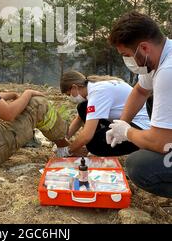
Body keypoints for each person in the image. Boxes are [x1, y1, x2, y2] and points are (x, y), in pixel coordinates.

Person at [107, 11, 172, 198]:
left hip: (165, 141)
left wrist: (127, 132)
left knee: (140, 165)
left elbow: (162, 143)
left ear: (143, 48)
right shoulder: (158, 58)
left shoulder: (168, 71)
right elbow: (140, 91)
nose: (126, 60)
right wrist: (121, 123)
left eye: (126, 55)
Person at [56, 70, 150, 157]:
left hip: (139, 128)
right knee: (83, 107)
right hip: (124, 121)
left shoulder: (98, 93)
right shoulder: (95, 86)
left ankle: (134, 146)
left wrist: (68, 151)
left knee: (93, 144)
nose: (70, 97)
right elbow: (79, 119)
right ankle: (100, 137)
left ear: (74, 87)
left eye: (69, 94)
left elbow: (87, 136)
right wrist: (64, 138)